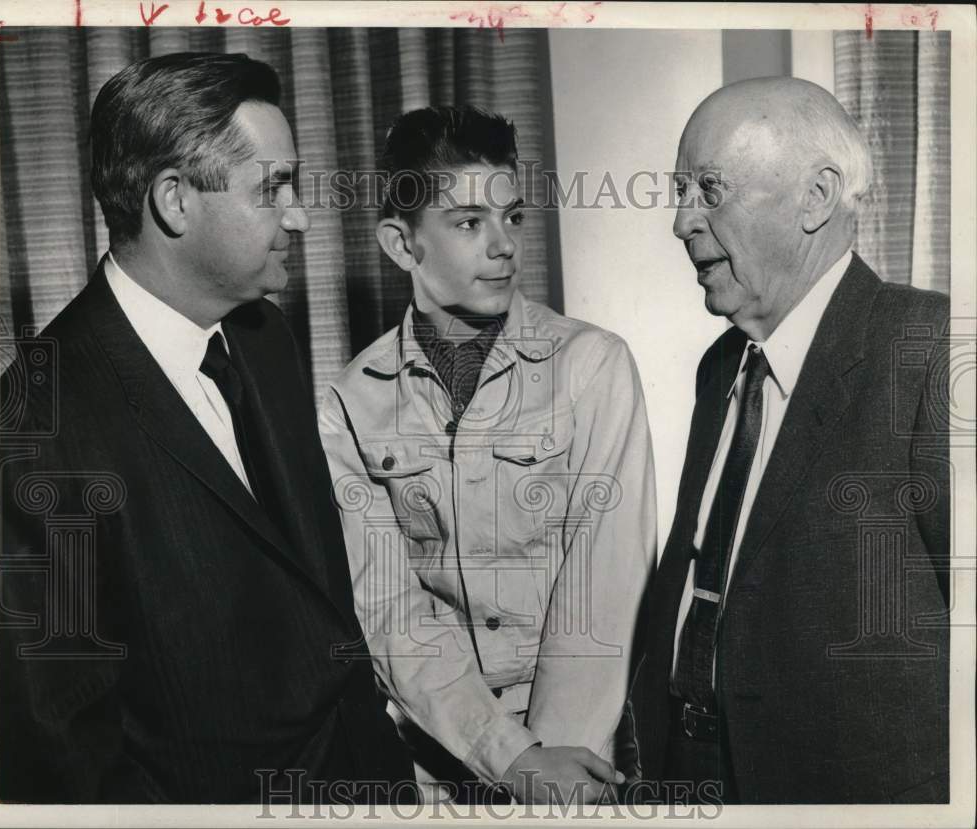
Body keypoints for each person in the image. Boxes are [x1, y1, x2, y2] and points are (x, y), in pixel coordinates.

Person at [0, 52, 414, 804]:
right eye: (272, 188)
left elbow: (321, 603)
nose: (300, 213)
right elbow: (63, 743)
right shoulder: (39, 410)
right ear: (174, 201)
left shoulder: (265, 339)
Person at [318, 105, 658, 804]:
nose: (503, 245)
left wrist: (552, 775)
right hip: (430, 763)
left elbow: (607, 585)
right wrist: (509, 758)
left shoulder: (593, 366)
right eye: (469, 223)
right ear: (401, 243)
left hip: (580, 761)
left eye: (514, 217)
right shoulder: (348, 404)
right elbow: (387, 611)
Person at [623, 77, 949, 804]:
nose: (681, 222)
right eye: (681, 192)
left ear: (816, 197)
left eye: (709, 189)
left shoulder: (926, 348)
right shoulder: (722, 364)